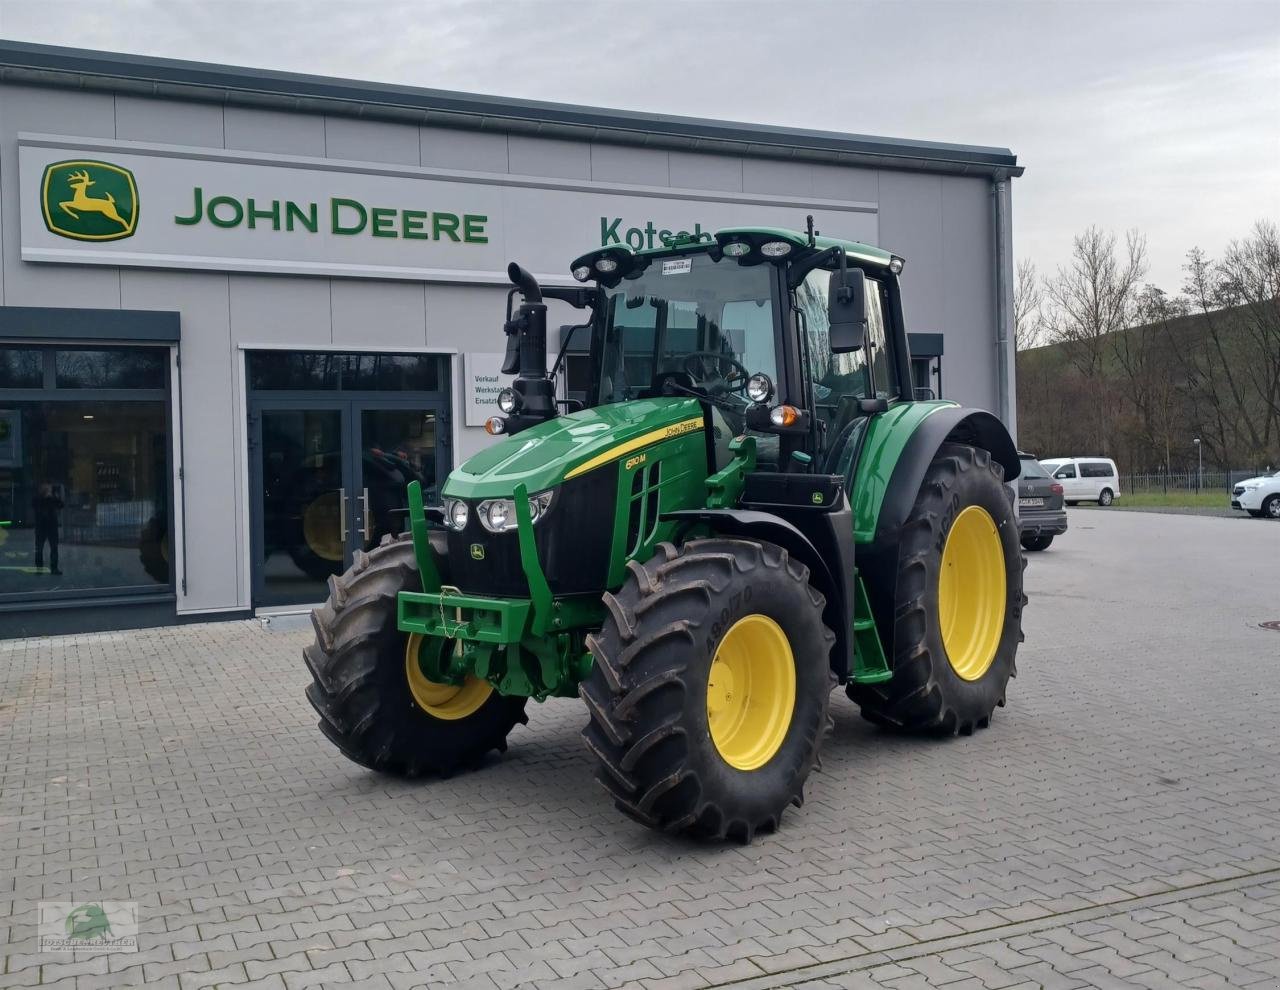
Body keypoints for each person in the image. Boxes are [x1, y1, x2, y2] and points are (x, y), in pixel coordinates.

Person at [33, 481, 63, 576]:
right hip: (41, 526)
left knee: (54, 548)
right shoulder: (37, 497)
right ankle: (39, 569)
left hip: (51, 526)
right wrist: (44, 497)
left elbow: (61, 505)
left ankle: (54, 568)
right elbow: (35, 505)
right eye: (46, 487)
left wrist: (54, 497)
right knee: (39, 549)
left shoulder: (52, 497)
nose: (48, 488)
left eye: (49, 487)